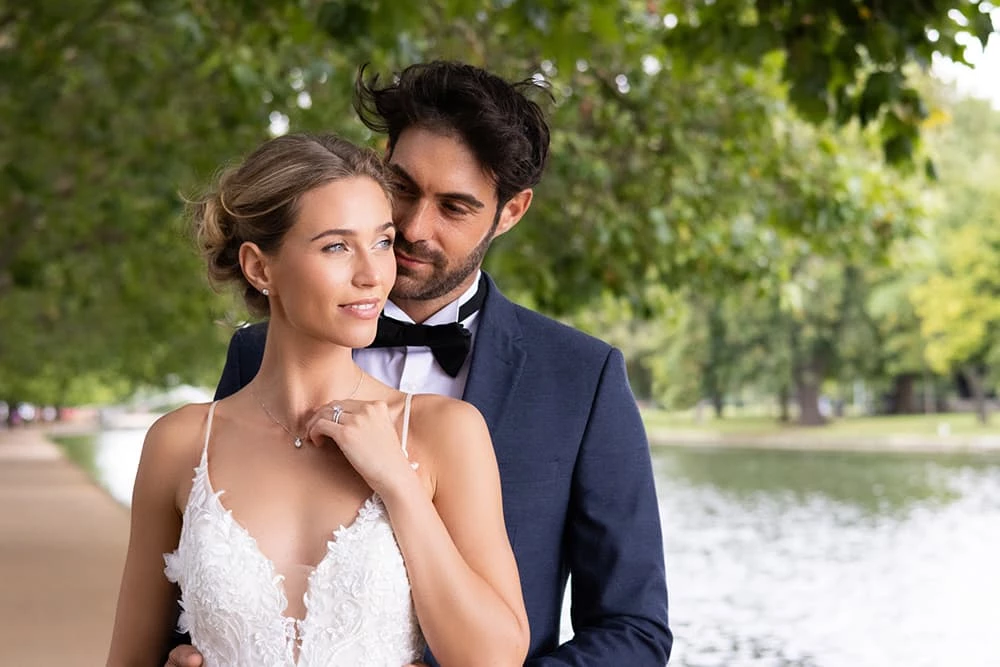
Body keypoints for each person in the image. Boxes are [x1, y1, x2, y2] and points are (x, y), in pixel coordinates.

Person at [168, 61, 672, 666]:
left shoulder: (580, 378)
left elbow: (633, 630)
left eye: (454, 208)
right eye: (403, 188)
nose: (411, 227)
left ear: (510, 213)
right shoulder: (256, 352)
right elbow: (204, 563)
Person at [107, 133, 529, 666]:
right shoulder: (180, 442)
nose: (373, 274)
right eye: (336, 246)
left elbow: (495, 659)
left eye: (381, 241)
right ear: (260, 268)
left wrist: (397, 482)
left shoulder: (443, 431)